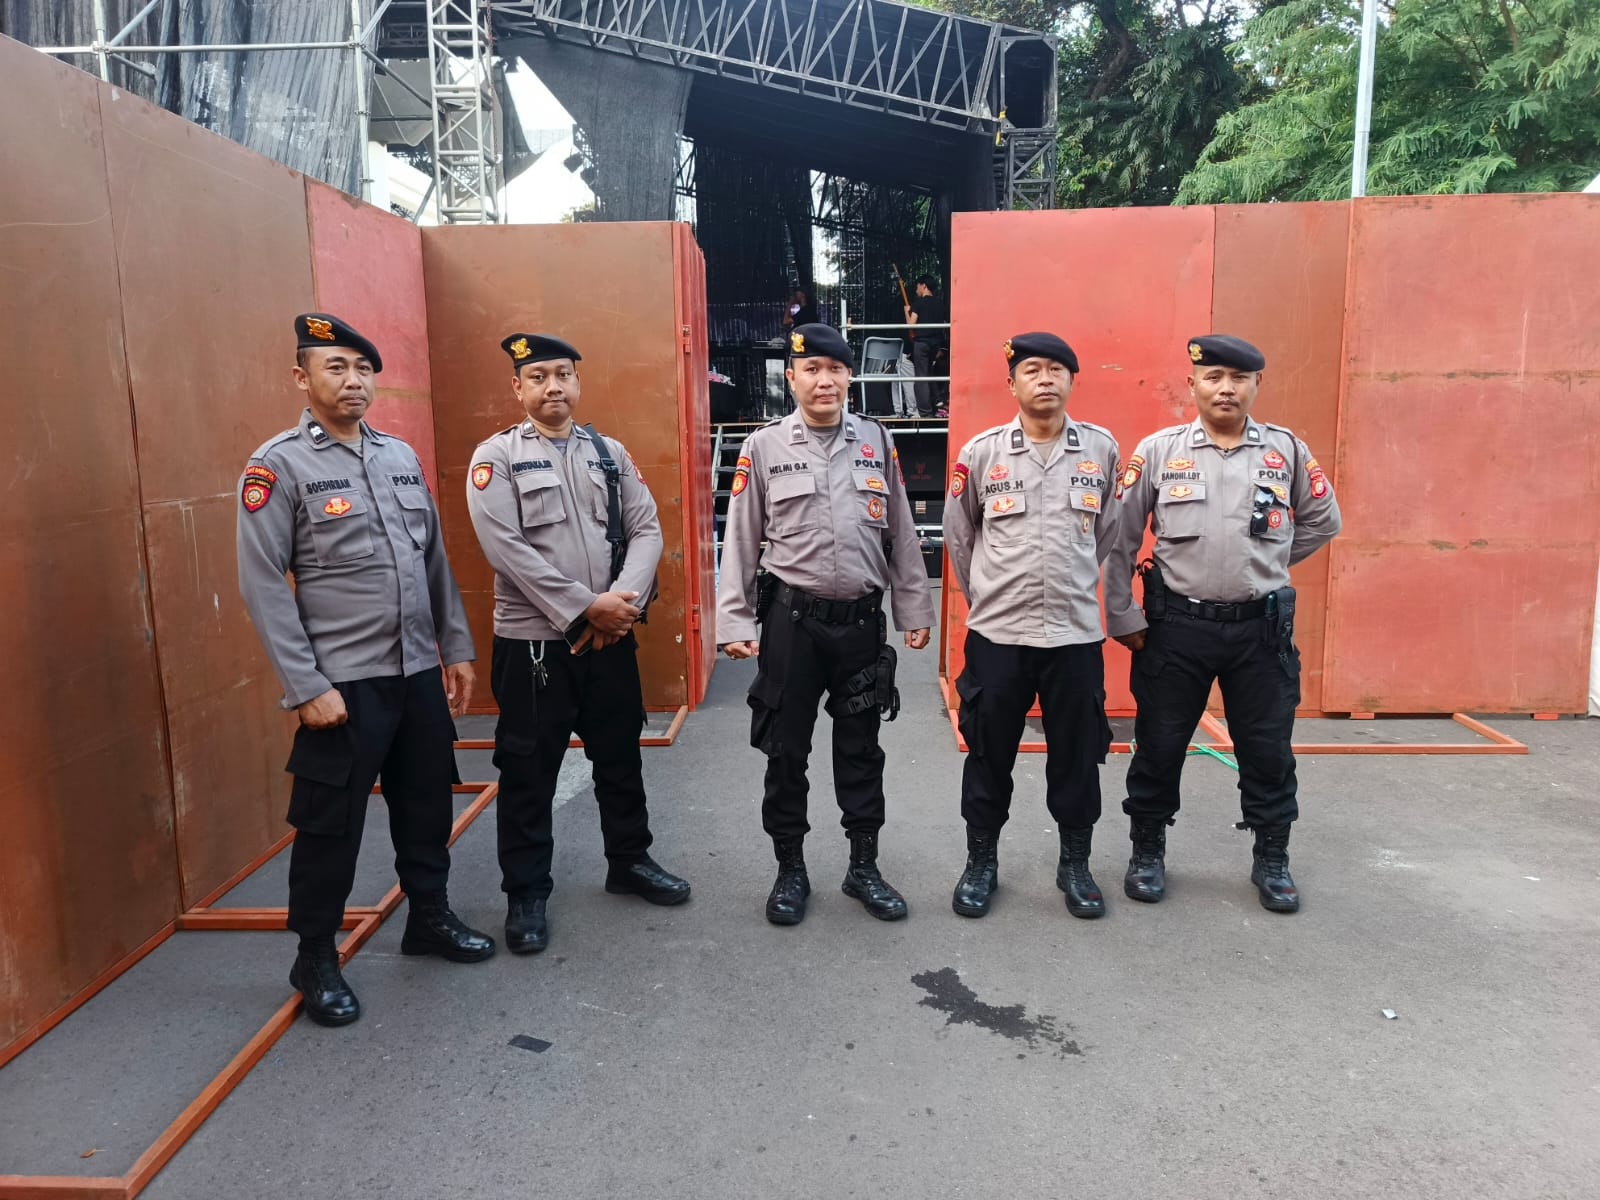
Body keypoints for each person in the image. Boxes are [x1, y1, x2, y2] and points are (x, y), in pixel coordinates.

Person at [237, 313, 494, 1029]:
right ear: (302, 377)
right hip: (342, 683)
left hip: (415, 672)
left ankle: (429, 917)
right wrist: (306, 687)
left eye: (363, 368)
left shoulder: (398, 457)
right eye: (336, 367)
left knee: (426, 802)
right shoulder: (278, 466)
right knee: (330, 825)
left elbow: (432, 560)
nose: (354, 381)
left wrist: (456, 647)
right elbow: (262, 584)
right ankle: (315, 956)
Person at [465, 332, 690, 956]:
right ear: (518, 388)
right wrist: (584, 608)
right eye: (538, 377)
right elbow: (505, 549)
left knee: (620, 754)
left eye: (562, 374)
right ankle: (526, 892)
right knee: (528, 769)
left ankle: (630, 860)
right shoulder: (497, 457)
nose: (553, 387)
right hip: (535, 645)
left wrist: (619, 603)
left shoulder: (608, 453)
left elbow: (646, 529)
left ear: (578, 382)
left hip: (610, 638)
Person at [1103, 335, 1342, 914]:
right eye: (1213, 377)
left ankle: (1272, 858)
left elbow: (1323, 521)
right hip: (1176, 629)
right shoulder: (1159, 452)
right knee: (1159, 745)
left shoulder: (1286, 451)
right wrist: (1122, 613)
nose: (1226, 388)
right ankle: (1147, 851)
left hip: (1261, 633)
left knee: (1268, 750)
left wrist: (1266, 564)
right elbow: (1120, 538)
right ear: (1193, 385)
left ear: (1258, 384)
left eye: (1239, 378)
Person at [717, 323, 936, 925]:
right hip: (793, 624)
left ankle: (863, 867)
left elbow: (901, 532)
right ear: (791, 378)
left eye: (835, 369)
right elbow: (741, 538)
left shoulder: (876, 440)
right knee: (785, 751)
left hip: (861, 625)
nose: (824, 380)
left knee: (861, 748)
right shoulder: (764, 446)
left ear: (849, 376)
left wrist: (913, 608)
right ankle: (790, 869)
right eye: (811, 369)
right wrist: (734, 619)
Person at [943, 332, 1120, 919]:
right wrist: (990, 596)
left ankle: (1075, 865)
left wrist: (1071, 582)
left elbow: (1107, 534)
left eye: (1056, 370)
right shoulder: (982, 454)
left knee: (1078, 755)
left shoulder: (1101, 450)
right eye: (1033, 370)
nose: (1045, 379)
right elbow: (960, 537)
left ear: (1072, 380)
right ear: (1011, 383)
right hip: (998, 637)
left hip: (1074, 636)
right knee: (988, 753)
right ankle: (981, 863)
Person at [904, 275, 950, 418]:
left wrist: (906, 312)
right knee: (929, 372)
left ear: (924, 286)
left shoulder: (919, 303)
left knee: (921, 377)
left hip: (922, 343)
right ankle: (937, 402)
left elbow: (911, 325)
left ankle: (925, 411)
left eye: (918, 286)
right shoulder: (940, 304)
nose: (916, 290)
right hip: (935, 345)